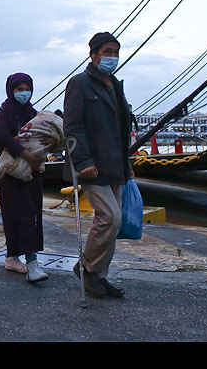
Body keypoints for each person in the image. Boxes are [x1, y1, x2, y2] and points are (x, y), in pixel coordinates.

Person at [63, 31, 133, 299]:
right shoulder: (79, 83)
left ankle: (99, 275)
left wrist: (126, 162)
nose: (112, 57)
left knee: (115, 223)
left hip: (114, 164)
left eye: (115, 52)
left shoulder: (115, 85)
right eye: (107, 52)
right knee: (109, 217)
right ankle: (87, 268)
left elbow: (120, 128)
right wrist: (82, 162)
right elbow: (73, 125)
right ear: (93, 55)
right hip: (91, 165)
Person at [0, 73, 50, 282]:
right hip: (12, 171)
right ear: (11, 90)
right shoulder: (5, 112)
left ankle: (13, 256)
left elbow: (40, 135)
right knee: (21, 212)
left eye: (26, 88)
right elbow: (4, 137)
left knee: (33, 212)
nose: (23, 93)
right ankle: (32, 262)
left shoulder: (33, 113)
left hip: (32, 171)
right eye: (18, 89)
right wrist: (26, 154)